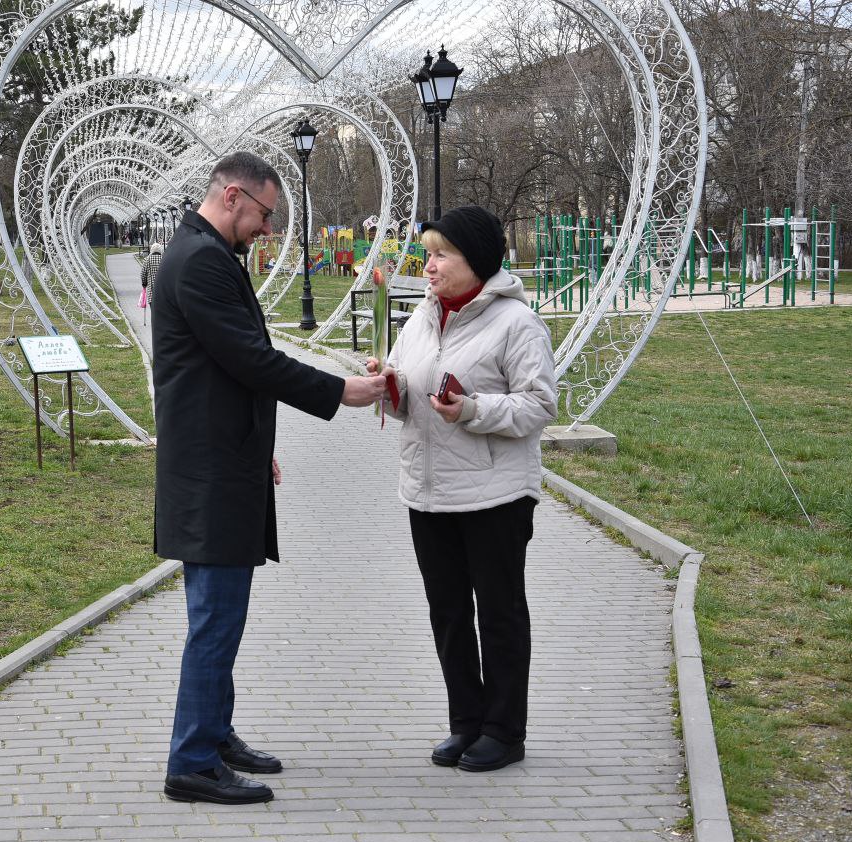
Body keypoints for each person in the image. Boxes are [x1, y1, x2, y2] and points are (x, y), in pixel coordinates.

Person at [153, 151, 388, 805]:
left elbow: (227, 369)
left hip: (223, 461)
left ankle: (213, 735)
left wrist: (256, 447)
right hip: (210, 475)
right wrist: (339, 390)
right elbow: (252, 360)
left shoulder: (206, 253)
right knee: (215, 619)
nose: (267, 229)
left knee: (223, 617)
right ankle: (192, 762)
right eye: (264, 214)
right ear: (232, 196)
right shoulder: (200, 260)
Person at [368, 205, 557, 773]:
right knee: (448, 613)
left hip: (495, 496)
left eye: (440, 255)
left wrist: (473, 409)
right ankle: (465, 723)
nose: (428, 266)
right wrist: (389, 386)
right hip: (428, 492)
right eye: (427, 254)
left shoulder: (517, 324)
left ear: (475, 260)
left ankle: (504, 731)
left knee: (499, 613)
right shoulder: (420, 318)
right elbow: (409, 392)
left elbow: (539, 405)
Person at [141, 241, 163, 306]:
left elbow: (143, 274)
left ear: (151, 250)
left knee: (153, 308)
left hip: (151, 290)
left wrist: (144, 283)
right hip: (162, 291)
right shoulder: (164, 259)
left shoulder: (147, 260)